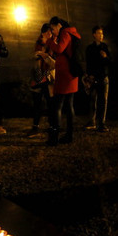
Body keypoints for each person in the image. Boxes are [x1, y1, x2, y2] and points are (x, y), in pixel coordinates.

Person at [46, 16, 82, 145]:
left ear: (58, 25)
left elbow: (60, 49)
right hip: (70, 75)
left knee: (58, 106)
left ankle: (54, 138)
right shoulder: (70, 32)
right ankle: (69, 135)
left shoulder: (66, 33)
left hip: (65, 76)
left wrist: (50, 41)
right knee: (69, 105)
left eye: (52, 28)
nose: (52, 31)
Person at [29, 23, 54, 137]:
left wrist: (44, 55)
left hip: (48, 77)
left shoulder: (52, 44)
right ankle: (35, 126)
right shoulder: (38, 43)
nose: (50, 34)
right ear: (43, 33)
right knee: (37, 103)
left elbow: (51, 60)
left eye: (51, 32)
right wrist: (41, 55)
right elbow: (35, 57)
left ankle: (52, 125)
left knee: (50, 103)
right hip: (38, 77)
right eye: (48, 32)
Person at [85, 25, 111, 132]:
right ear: (94, 35)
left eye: (102, 33)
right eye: (99, 33)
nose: (101, 35)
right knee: (93, 100)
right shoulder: (90, 48)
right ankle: (92, 122)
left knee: (103, 101)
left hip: (103, 78)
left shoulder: (105, 47)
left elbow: (110, 62)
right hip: (93, 78)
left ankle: (102, 123)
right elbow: (89, 63)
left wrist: (106, 57)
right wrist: (89, 75)